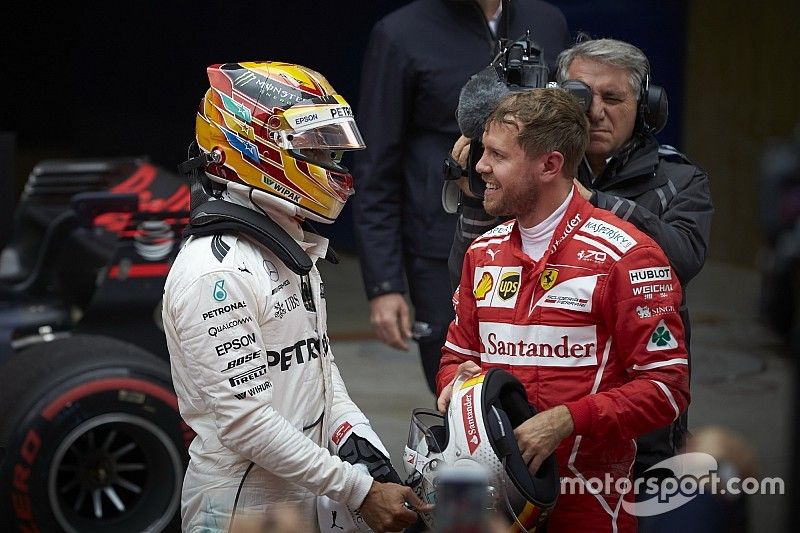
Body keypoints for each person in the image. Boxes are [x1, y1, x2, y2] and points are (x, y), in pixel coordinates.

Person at [163, 61, 425, 533]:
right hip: (239, 505)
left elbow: (317, 366)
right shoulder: (215, 272)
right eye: (316, 148)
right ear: (252, 147)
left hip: (305, 489)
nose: (333, 166)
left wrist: (361, 445)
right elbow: (247, 424)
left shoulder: (290, 248)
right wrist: (359, 490)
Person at [448, 37, 713, 484]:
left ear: (646, 106)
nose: (594, 112)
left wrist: (589, 202)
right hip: (514, 435)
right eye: (580, 96)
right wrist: (481, 196)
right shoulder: (522, 170)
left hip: (630, 433)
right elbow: (469, 278)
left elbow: (683, 258)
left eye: (613, 98)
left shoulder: (679, 178)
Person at [351, 0, 570, 394]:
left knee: (548, 380)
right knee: (459, 392)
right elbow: (375, 167)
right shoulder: (401, 33)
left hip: (543, 237)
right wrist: (384, 284)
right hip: (442, 245)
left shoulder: (547, 21)